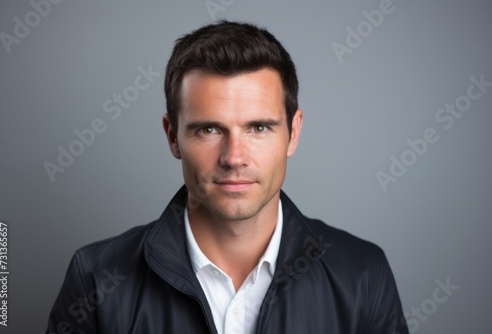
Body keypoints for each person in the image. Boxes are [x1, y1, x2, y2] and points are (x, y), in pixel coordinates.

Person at [46, 20, 408, 334]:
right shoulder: (95, 277)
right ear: (172, 136)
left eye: (259, 127)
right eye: (208, 130)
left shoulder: (363, 275)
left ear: (293, 133)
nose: (234, 157)